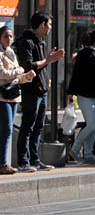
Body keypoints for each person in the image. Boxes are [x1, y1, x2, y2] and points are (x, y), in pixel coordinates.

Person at [15, 12, 65, 172]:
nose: (50, 28)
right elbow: (28, 65)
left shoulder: (40, 42)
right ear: (42, 25)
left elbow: (42, 65)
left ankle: (35, 160)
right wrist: (49, 60)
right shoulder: (26, 42)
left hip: (41, 90)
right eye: (49, 24)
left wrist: (46, 78)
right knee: (28, 126)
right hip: (30, 90)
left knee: (38, 127)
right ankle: (24, 161)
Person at [66, 30, 95, 164]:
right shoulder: (85, 54)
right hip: (85, 95)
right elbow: (76, 74)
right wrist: (70, 92)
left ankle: (88, 154)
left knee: (93, 126)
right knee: (92, 124)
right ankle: (74, 150)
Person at [0, 26, 35, 175]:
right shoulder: (0, 53)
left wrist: (27, 77)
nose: (9, 39)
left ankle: (4, 163)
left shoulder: (12, 53)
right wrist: (19, 71)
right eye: (6, 36)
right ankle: (3, 163)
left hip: (14, 94)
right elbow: (2, 73)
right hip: (3, 95)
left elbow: (16, 78)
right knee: (7, 129)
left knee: (8, 130)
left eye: (11, 36)